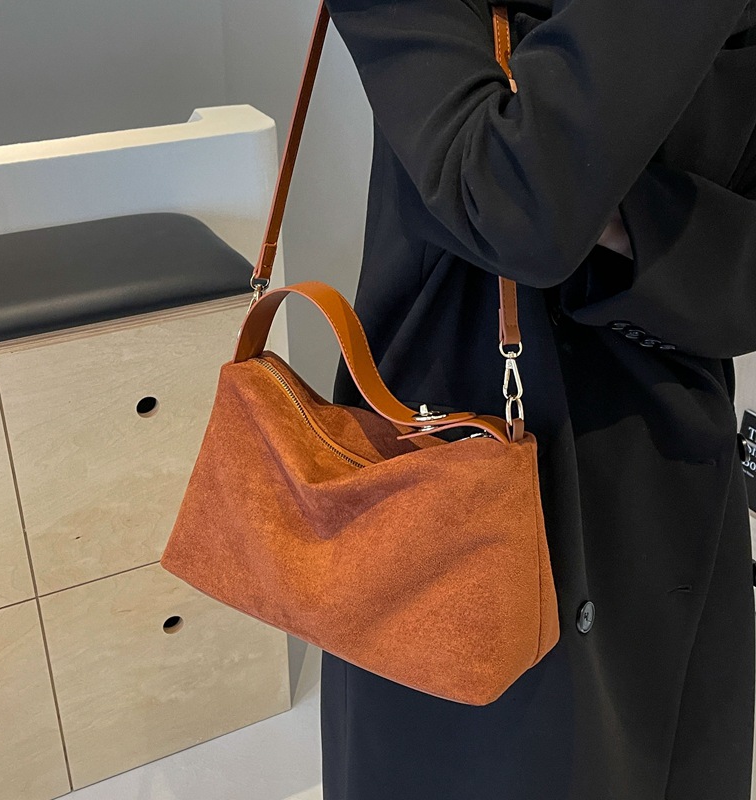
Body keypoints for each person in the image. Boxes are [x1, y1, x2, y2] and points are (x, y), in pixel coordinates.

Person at [318, 1, 756, 798]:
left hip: (668, 498)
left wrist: (624, 226)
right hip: (450, 497)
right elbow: (515, 201)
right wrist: (634, 227)